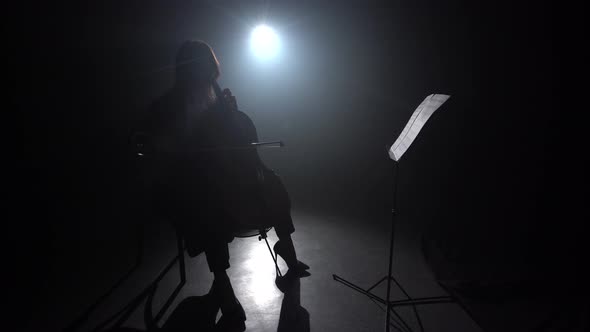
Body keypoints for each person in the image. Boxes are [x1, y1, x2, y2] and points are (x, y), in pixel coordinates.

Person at [136, 40, 308, 330]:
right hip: (190, 187)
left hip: (228, 179)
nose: (207, 76)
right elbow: (149, 141)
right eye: (200, 69)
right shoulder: (169, 104)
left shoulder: (215, 95)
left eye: (208, 69)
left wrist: (231, 111)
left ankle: (287, 250)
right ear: (189, 71)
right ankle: (222, 284)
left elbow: (237, 136)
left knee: (273, 183)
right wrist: (160, 146)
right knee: (209, 210)